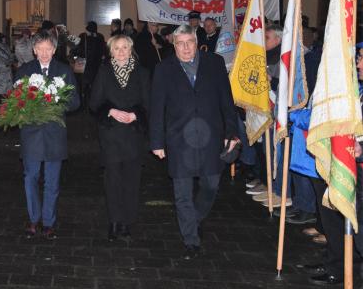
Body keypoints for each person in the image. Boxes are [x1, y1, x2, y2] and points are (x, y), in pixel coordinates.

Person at [149, 24, 238, 260]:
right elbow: (157, 108)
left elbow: (226, 101)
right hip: (179, 140)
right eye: (181, 43)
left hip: (211, 137)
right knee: (182, 193)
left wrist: (232, 132)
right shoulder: (163, 69)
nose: (186, 48)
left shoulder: (214, 63)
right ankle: (191, 239)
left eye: (190, 42)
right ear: (173, 44)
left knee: (210, 185)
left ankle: (194, 218)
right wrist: (157, 141)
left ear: (196, 42)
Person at [15, 30, 80, 240]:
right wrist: (30, 105)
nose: (44, 53)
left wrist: (54, 102)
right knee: (30, 178)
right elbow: (15, 100)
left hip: (54, 134)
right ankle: (34, 219)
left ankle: (49, 222)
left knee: (52, 181)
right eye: (40, 49)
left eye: (48, 49)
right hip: (31, 134)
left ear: (54, 50)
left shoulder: (63, 70)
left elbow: (75, 101)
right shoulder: (24, 70)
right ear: (34, 50)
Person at [89, 35, 150, 241]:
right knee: (113, 179)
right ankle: (114, 221)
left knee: (132, 180)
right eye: (117, 48)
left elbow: (149, 103)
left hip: (133, 135)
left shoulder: (142, 73)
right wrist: (111, 111)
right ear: (111, 51)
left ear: (131, 49)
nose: (121, 52)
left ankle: (127, 222)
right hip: (111, 134)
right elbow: (94, 102)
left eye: (125, 47)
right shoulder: (104, 72)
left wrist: (136, 115)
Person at [72, 21, 106, 109]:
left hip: (82, 64)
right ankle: (92, 105)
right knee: (93, 87)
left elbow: (77, 49)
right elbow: (103, 51)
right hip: (95, 66)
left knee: (81, 86)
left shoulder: (83, 36)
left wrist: (74, 56)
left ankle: (81, 105)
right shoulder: (100, 37)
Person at [0, 32, 14, 104]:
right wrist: (9, 63)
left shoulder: (5, 46)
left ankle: (6, 105)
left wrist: (11, 60)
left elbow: (10, 56)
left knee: (7, 89)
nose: (5, 39)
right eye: (3, 38)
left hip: (6, 71)